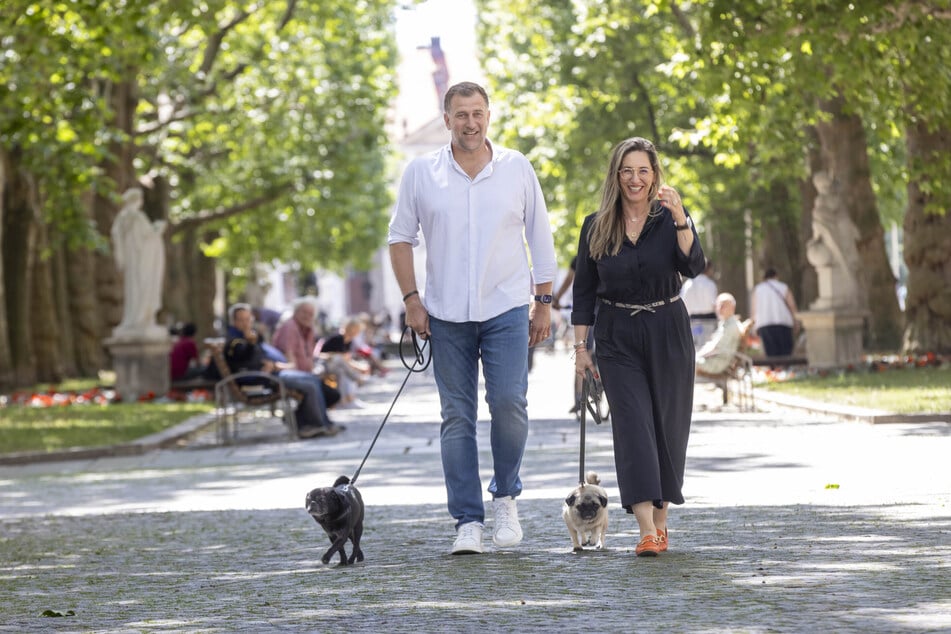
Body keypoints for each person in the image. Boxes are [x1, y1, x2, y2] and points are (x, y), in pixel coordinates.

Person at [388, 81, 557, 555]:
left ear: (488, 116)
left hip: (506, 307)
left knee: (509, 403)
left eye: (477, 113)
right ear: (447, 120)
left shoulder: (516, 167)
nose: (470, 122)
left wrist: (543, 302)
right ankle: (467, 520)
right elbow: (400, 238)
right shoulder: (421, 173)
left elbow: (540, 236)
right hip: (445, 314)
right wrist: (412, 300)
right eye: (461, 114)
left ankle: (505, 496)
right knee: (456, 417)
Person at [571, 137, 705, 557]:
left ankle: (661, 522)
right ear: (616, 175)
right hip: (616, 334)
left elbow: (694, 265)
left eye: (643, 170)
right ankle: (646, 528)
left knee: (668, 426)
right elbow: (583, 293)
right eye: (627, 170)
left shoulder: (671, 219)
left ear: (654, 175)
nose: (635, 179)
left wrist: (681, 218)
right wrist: (580, 349)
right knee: (632, 427)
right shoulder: (595, 226)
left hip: (668, 328)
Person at [225, 303, 342, 439]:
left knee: (313, 380)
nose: (246, 323)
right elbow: (243, 359)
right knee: (310, 384)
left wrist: (273, 363)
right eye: (241, 320)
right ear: (234, 322)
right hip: (261, 378)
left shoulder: (250, 336)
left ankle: (323, 423)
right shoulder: (235, 341)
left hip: (273, 372)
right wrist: (253, 346)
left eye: (248, 319)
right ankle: (316, 424)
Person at [110, 187, 166, 338]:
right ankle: (139, 318)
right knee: (141, 288)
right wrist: (158, 229)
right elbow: (148, 237)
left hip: (132, 260)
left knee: (133, 289)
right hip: (141, 260)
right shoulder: (137, 217)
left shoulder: (122, 218)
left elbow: (117, 236)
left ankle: (135, 318)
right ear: (137, 200)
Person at [271, 298, 341, 410]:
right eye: (304, 312)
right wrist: (306, 375)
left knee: (331, 393)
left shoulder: (308, 329)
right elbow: (289, 355)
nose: (307, 316)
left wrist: (313, 371)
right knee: (322, 391)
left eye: (311, 314)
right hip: (291, 374)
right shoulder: (290, 327)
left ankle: (308, 418)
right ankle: (312, 419)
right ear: (296, 312)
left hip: (305, 373)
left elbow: (310, 355)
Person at [317, 317, 372, 409]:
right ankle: (357, 379)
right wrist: (359, 368)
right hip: (325, 364)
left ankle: (348, 400)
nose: (357, 332)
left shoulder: (348, 341)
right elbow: (341, 358)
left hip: (338, 367)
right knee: (340, 360)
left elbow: (347, 360)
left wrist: (359, 367)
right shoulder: (338, 338)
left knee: (343, 373)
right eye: (357, 329)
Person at [750, 268, 798, 357]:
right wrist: (796, 321)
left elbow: (754, 309)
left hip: (764, 324)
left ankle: (774, 366)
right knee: (786, 353)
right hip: (783, 322)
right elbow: (792, 305)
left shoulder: (758, 289)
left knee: (771, 354)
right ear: (776, 276)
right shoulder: (783, 287)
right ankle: (786, 366)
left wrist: (753, 326)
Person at [695, 293, 743, 376]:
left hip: (718, 363)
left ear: (732, 308)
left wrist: (697, 356)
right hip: (716, 360)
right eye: (718, 305)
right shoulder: (726, 323)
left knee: (688, 362)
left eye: (723, 306)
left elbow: (716, 348)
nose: (719, 309)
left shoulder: (731, 326)